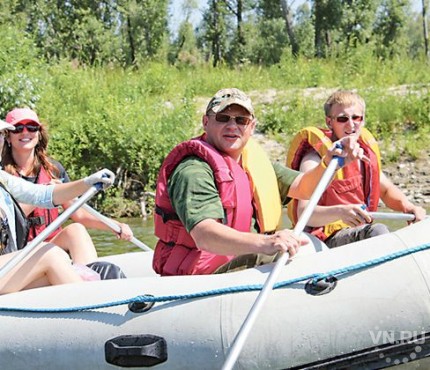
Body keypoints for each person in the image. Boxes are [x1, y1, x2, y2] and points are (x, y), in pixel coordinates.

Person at [152, 88, 367, 276]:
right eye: (223, 118)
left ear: (252, 127)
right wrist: (267, 243)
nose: (232, 126)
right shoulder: (193, 170)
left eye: (241, 120)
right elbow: (204, 235)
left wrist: (331, 163)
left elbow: (303, 187)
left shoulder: (252, 162)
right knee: (305, 254)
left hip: (240, 258)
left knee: (310, 244)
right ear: (206, 122)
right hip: (207, 272)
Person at [286, 90, 426, 248]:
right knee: (378, 231)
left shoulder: (363, 154)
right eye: (342, 119)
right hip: (324, 237)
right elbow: (304, 213)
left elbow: (386, 191)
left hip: (357, 231)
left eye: (356, 118)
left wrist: (409, 207)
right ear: (329, 122)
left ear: (363, 120)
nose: (351, 124)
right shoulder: (313, 159)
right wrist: (340, 212)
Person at [1, 107, 133, 266]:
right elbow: (9, 217)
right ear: (7, 137)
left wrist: (113, 225)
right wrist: (45, 193)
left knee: (76, 230)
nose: (25, 132)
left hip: (52, 246)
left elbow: (79, 213)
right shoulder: (3, 175)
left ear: (38, 133)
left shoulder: (54, 170)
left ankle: (90, 283)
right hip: (17, 252)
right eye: (18, 128)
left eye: (31, 127)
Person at [0, 118, 116, 294]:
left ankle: (99, 294)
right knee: (49, 254)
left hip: (8, 266)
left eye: (0, 134)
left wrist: (87, 182)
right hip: (6, 267)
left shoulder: (3, 178)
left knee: (59, 259)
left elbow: (44, 195)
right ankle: (97, 304)